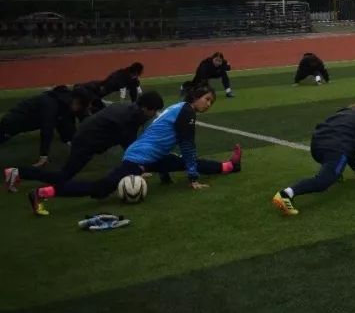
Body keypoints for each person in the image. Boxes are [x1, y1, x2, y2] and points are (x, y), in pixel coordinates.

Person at [27, 85, 242, 217]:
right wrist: (193, 179)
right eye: (207, 99)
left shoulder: (180, 108)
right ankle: (43, 193)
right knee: (100, 189)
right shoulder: (186, 112)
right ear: (196, 97)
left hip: (149, 156)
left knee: (184, 161)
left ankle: (230, 165)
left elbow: (160, 138)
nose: (208, 104)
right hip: (139, 158)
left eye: (211, 102)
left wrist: (165, 172)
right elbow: (186, 145)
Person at [5, 91, 165, 191]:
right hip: (85, 142)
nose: (154, 114)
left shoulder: (131, 109)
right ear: (147, 108)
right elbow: (129, 144)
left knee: (63, 176)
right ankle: (18, 172)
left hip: (86, 137)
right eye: (155, 110)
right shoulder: (132, 117)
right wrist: (136, 168)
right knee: (62, 177)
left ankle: (18, 173)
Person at [271, 103, 355, 216]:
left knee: (349, 143)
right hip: (335, 148)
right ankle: (286, 194)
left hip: (316, 145)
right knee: (324, 181)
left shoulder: (344, 112)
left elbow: (349, 141)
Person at [0, 85, 96, 167]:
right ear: (76, 101)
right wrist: (43, 155)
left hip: (24, 123)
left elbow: (66, 126)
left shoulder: (64, 103)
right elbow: (47, 129)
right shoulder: (51, 105)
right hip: (13, 123)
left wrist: (75, 144)